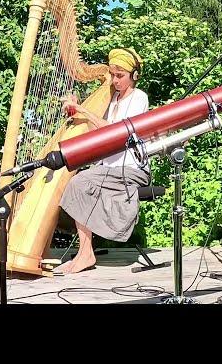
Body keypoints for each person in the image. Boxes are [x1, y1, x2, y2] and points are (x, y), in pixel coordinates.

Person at [54, 47, 150, 274]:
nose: (115, 80)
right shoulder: (111, 99)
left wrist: (84, 112)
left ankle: (86, 253)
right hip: (110, 168)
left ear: (134, 75)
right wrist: (75, 111)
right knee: (78, 180)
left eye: (121, 76)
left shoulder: (139, 98)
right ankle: (84, 251)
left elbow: (117, 133)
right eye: (113, 75)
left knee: (79, 182)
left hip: (132, 169)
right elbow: (94, 129)